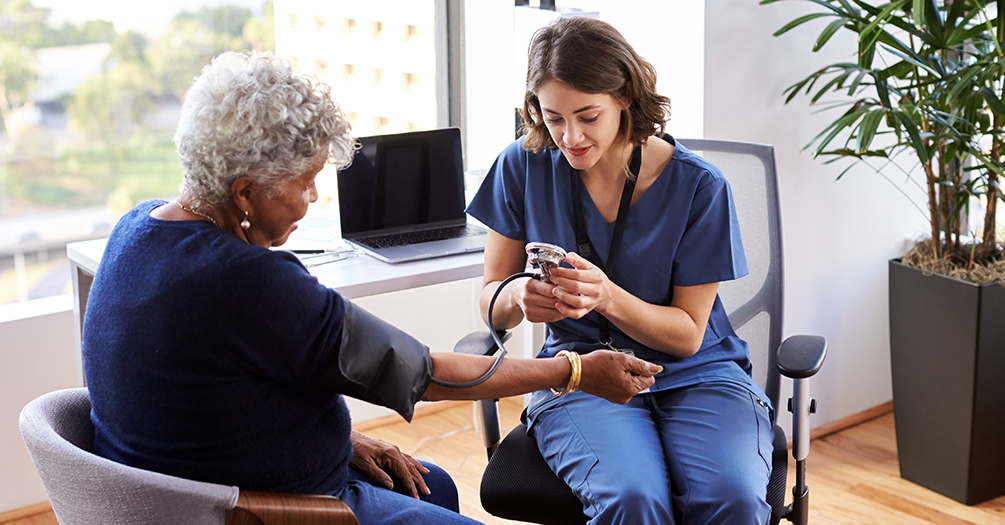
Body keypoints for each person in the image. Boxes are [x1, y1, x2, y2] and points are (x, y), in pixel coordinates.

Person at [82, 51, 659, 525]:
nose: (312, 201)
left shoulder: (137, 228)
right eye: (306, 184)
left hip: (182, 486)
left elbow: (216, 388)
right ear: (244, 192)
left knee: (432, 485)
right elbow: (422, 373)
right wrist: (573, 371)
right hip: (264, 508)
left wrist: (344, 441)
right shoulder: (250, 280)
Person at [465, 17, 775, 525]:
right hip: (579, 372)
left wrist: (606, 296)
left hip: (697, 375)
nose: (570, 136)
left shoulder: (699, 187)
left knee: (732, 500)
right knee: (632, 499)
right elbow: (490, 301)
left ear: (625, 95)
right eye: (553, 117)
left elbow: (687, 335)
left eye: (588, 116)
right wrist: (515, 296)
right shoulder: (522, 165)